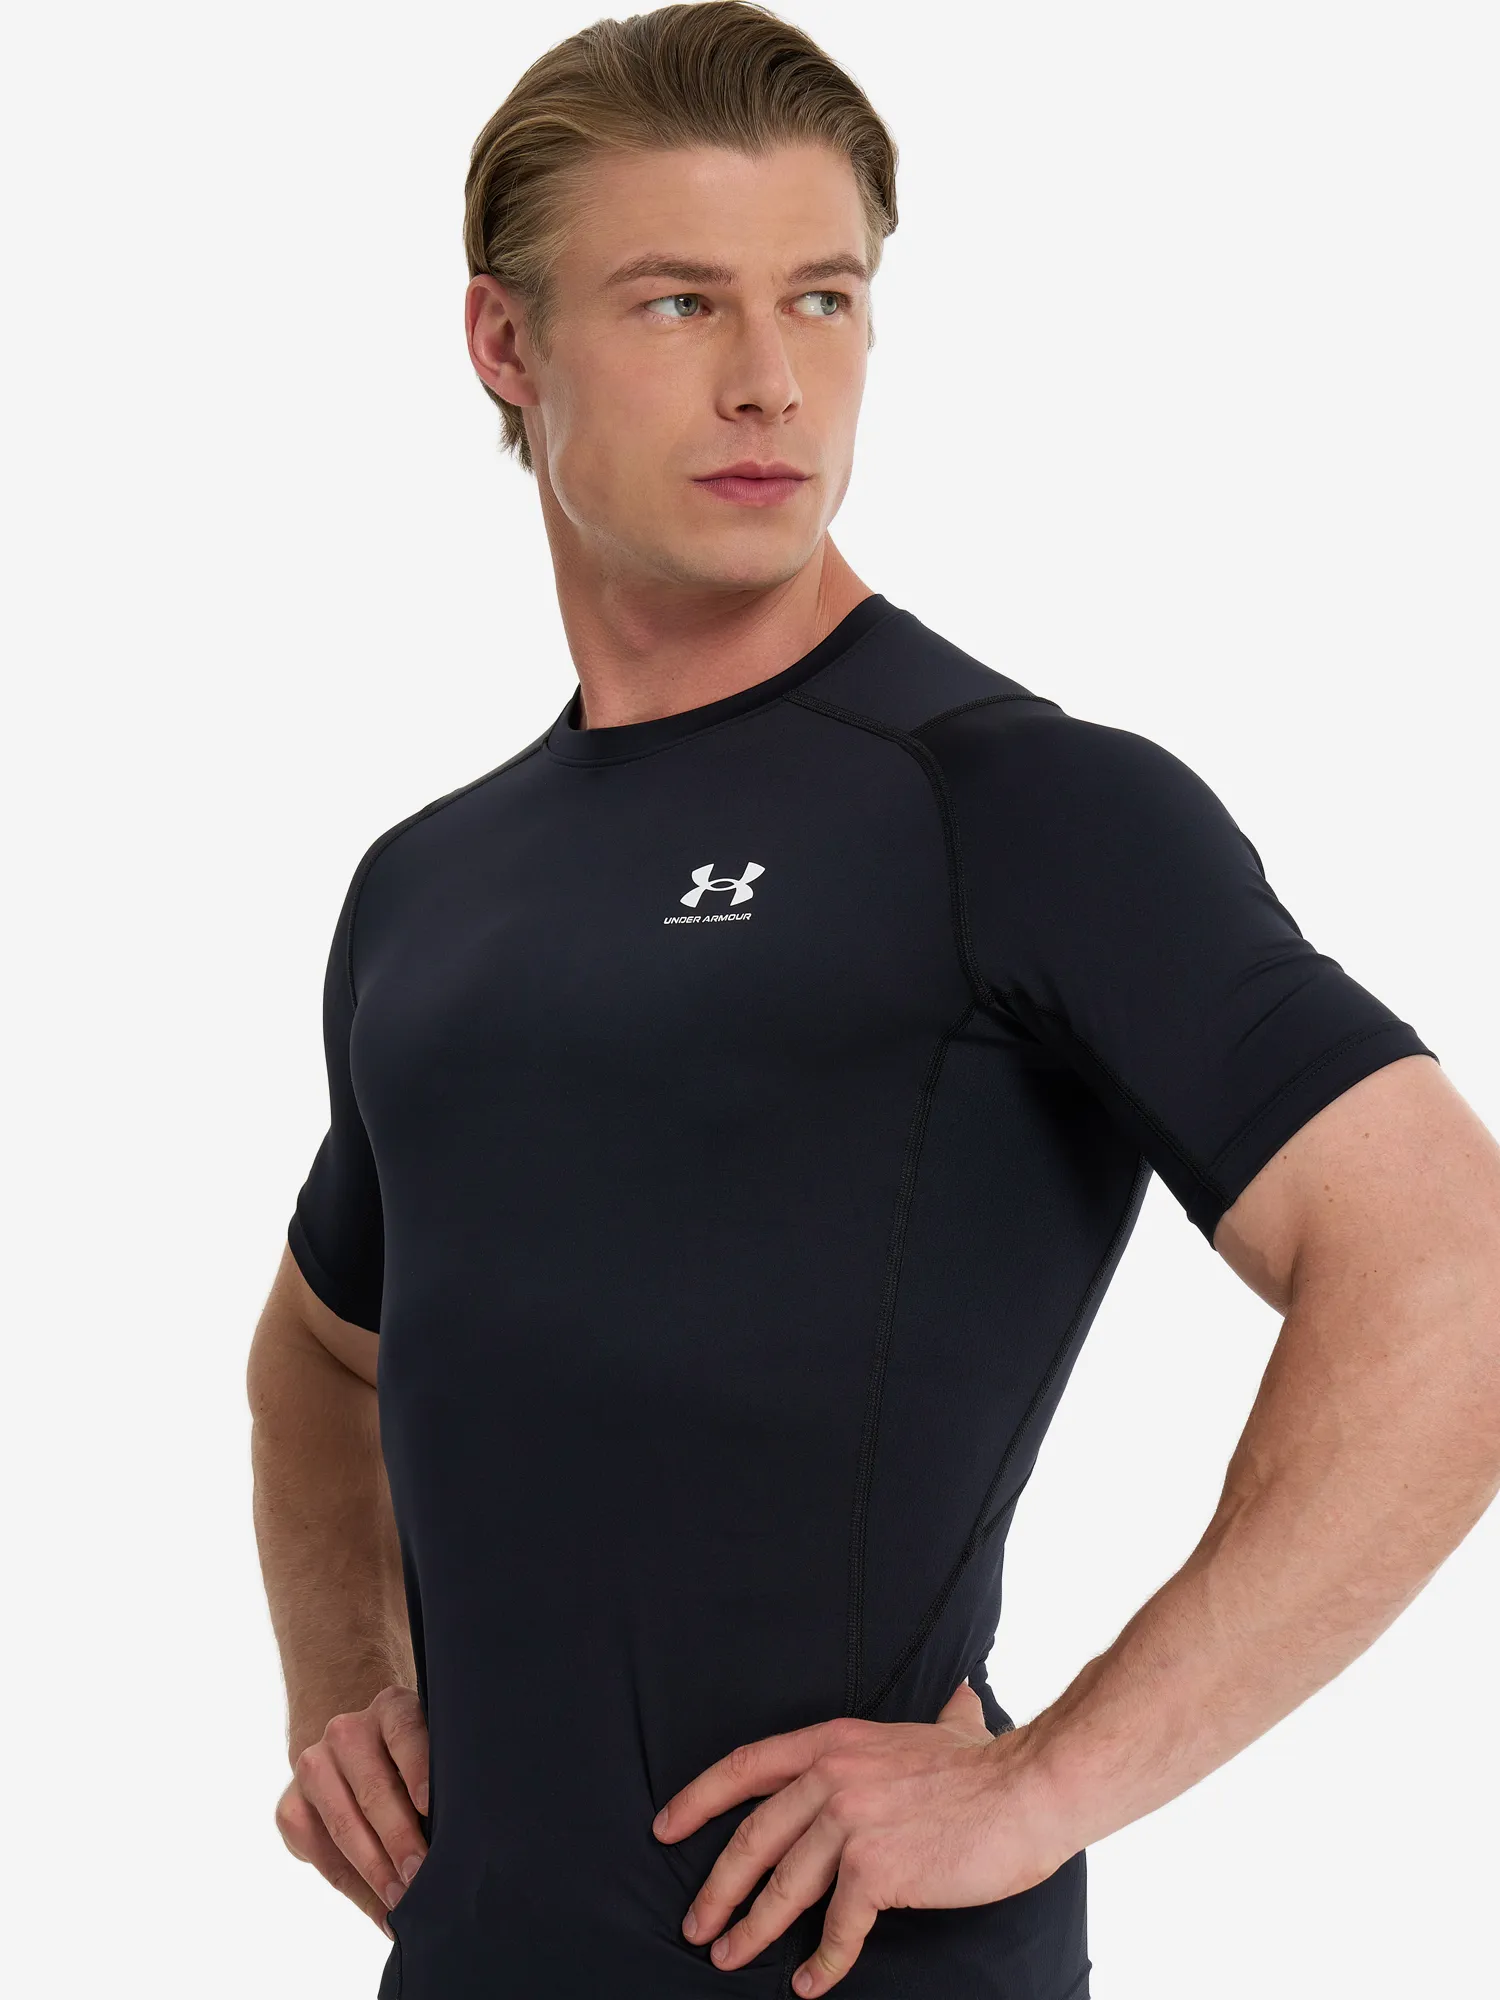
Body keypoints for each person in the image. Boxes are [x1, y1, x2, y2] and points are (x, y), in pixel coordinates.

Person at [246, 6, 1500, 1997]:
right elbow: (322, 1357)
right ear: (505, 342)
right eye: (679, 302)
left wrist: (1052, 1780)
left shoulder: (1015, 806)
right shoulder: (429, 884)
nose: (770, 379)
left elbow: (1454, 1267)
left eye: (822, 299)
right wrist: (347, 1693)